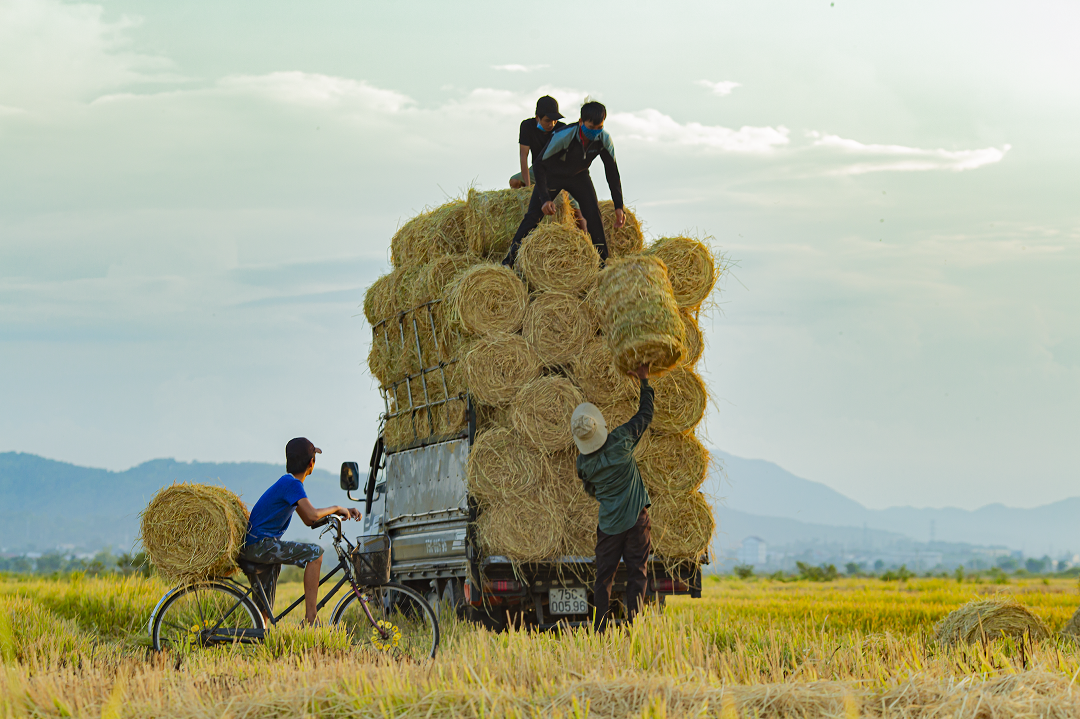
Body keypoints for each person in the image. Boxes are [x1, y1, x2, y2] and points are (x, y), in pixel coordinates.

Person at [240, 437, 361, 626]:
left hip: (257, 546)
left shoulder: (288, 483)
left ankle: (258, 631)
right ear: (311, 462)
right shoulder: (292, 485)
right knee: (315, 553)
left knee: (262, 612)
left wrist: (335, 514)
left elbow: (307, 519)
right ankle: (311, 618)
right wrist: (337, 508)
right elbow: (312, 515)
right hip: (261, 545)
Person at [572, 364, 652, 633]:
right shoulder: (621, 440)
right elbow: (645, 414)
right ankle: (634, 625)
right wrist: (643, 380)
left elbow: (590, 489)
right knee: (637, 574)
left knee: (603, 578)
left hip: (608, 527)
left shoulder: (583, 463)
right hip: (636, 520)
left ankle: (599, 629)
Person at [503, 99, 625, 269]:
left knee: (593, 215)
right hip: (552, 174)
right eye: (591, 127)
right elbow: (539, 165)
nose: (595, 132)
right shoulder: (564, 135)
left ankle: (603, 263)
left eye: (600, 128)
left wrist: (619, 206)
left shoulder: (604, 139)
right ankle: (508, 260)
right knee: (533, 217)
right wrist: (545, 198)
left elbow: (612, 173)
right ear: (581, 122)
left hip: (579, 176)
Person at [509, 95, 587, 232]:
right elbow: (523, 155)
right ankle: (518, 215)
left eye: (555, 120)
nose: (551, 124)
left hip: (560, 171)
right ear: (537, 117)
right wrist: (528, 188)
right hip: (537, 170)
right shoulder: (527, 126)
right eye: (547, 120)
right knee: (515, 181)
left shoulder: (563, 130)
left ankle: (588, 241)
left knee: (575, 207)